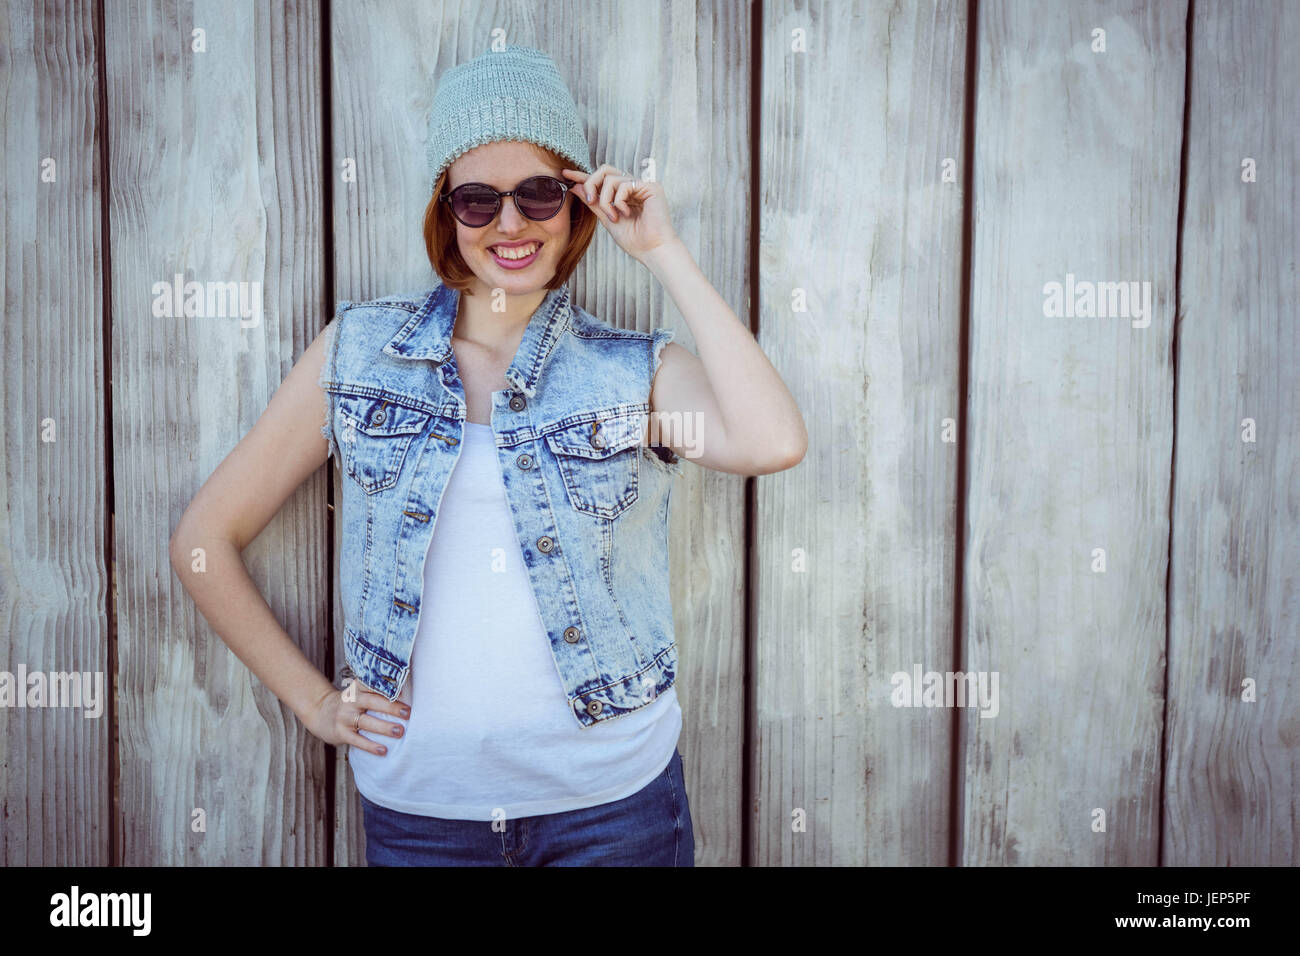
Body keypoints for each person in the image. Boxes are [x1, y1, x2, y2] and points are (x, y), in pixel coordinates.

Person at [169, 44, 807, 867]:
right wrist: (314, 702)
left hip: (612, 810)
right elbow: (203, 542)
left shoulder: (631, 375)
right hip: (423, 813)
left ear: (577, 203)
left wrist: (660, 251)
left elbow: (772, 440)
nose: (512, 224)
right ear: (447, 212)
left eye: (540, 192)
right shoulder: (359, 355)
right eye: (479, 199)